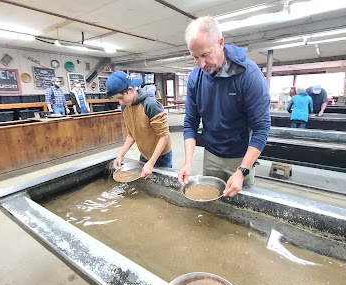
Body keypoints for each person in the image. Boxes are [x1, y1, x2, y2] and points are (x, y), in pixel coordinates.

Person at [178, 16, 271, 197]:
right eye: (195, 57)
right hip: (211, 154)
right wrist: (188, 162)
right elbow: (190, 123)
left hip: (240, 156)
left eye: (205, 55)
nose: (200, 64)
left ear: (220, 43)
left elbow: (262, 128)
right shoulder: (195, 77)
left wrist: (242, 171)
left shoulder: (249, 75)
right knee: (209, 201)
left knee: (242, 205)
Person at [106, 71, 172, 178]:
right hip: (145, 153)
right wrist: (120, 155)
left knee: (162, 182)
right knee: (144, 182)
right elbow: (131, 134)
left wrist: (151, 163)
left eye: (120, 98)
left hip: (161, 154)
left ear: (131, 90)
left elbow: (163, 136)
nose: (120, 103)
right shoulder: (125, 107)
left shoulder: (150, 104)